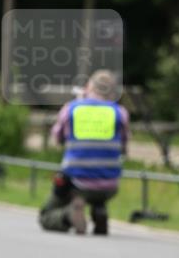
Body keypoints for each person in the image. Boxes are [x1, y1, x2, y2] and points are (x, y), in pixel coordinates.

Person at [39, 70, 130, 235]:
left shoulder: (72, 109)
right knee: (98, 187)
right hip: (110, 184)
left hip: (77, 182)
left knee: (46, 215)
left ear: (88, 87)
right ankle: (99, 210)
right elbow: (124, 146)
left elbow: (57, 139)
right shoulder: (120, 113)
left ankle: (68, 215)